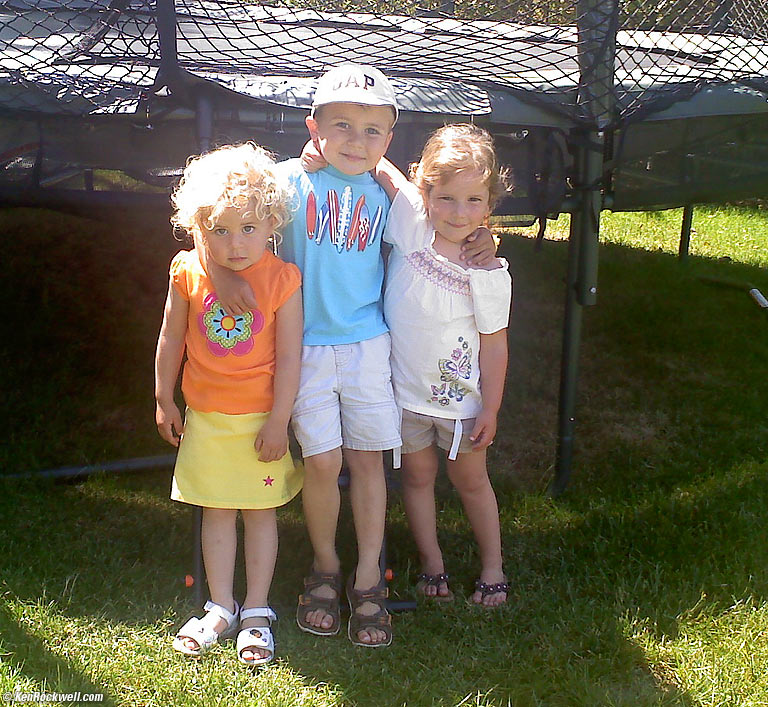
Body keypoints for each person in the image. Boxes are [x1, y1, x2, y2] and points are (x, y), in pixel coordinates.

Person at [204, 65, 498, 646]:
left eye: (372, 131)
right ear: (313, 128)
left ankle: (368, 577)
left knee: (368, 461)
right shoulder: (286, 183)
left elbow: (451, 222)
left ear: (389, 140)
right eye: (341, 126)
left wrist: (482, 239)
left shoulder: (395, 200)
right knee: (321, 461)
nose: (355, 141)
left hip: (369, 345)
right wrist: (216, 268)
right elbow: (210, 219)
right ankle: (324, 568)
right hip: (302, 347)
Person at [154, 142, 303, 665]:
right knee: (216, 512)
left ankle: (258, 610)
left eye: (247, 228)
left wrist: (280, 421)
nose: (235, 244)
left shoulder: (283, 280)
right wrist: (163, 398)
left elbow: (290, 358)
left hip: (262, 421)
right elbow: (171, 337)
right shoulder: (187, 271)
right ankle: (220, 606)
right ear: (200, 228)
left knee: (260, 515)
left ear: (271, 224)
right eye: (219, 230)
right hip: (206, 419)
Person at [375, 123, 512, 607]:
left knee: (471, 481)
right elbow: (383, 169)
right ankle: (433, 563)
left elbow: (495, 345)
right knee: (415, 479)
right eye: (447, 198)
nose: (459, 213)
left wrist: (490, 409)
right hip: (403, 396)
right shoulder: (412, 221)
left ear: (491, 203)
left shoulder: (488, 271)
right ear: (425, 191)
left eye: (474, 201)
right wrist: (321, 148)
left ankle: (492, 565)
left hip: (461, 406)